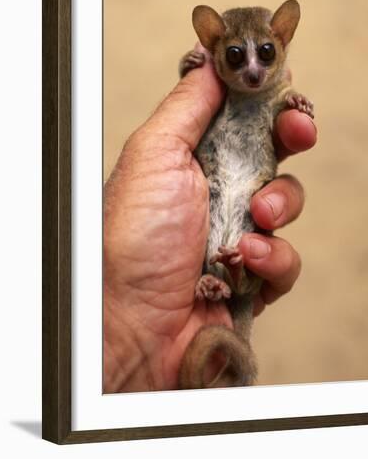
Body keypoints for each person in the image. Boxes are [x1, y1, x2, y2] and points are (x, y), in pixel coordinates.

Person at [103, 46, 317, 393]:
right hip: (211, 196)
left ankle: (235, 278)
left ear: (283, 40)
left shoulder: (277, 91)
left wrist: (295, 102)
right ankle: (218, 278)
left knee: (249, 231)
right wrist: (188, 68)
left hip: (245, 193)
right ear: (214, 46)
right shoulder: (217, 87)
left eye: (265, 54)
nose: (252, 71)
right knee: (226, 233)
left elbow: (283, 93)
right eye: (235, 56)